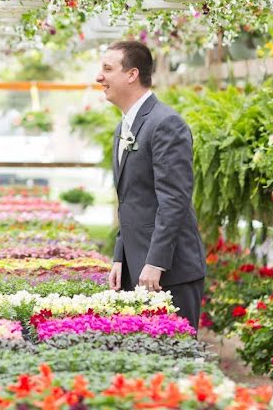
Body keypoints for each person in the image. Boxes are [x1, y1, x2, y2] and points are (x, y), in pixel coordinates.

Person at [96, 40, 206, 331]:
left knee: (176, 364)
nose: (99, 77)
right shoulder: (124, 127)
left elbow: (174, 200)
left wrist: (156, 262)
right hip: (137, 268)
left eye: (108, 69)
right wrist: (120, 257)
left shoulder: (166, 123)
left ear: (131, 74)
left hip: (169, 272)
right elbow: (130, 199)